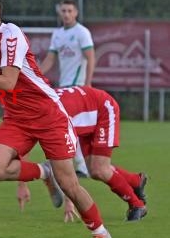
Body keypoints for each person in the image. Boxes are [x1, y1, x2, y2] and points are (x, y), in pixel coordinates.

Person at [0, 0, 111, 238]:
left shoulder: (11, 34)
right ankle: (42, 171)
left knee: (69, 183)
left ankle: (100, 231)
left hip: (48, 115)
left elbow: (10, 82)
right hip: (17, 118)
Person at [16, 86, 148, 222]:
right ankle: (135, 181)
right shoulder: (33, 110)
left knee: (100, 170)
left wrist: (70, 200)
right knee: (95, 171)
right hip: (84, 113)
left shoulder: (56, 117)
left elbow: (65, 161)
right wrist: (22, 186)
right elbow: (24, 148)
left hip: (102, 109)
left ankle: (137, 205)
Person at [40, 0, 95, 178]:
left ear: (76, 12)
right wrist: (35, 75)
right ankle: (80, 165)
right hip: (63, 86)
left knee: (70, 125)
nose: (66, 14)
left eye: (70, 11)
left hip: (78, 86)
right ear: (60, 12)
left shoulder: (82, 32)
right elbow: (50, 59)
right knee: (68, 125)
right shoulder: (57, 34)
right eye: (63, 11)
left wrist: (87, 83)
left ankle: (80, 165)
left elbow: (90, 57)